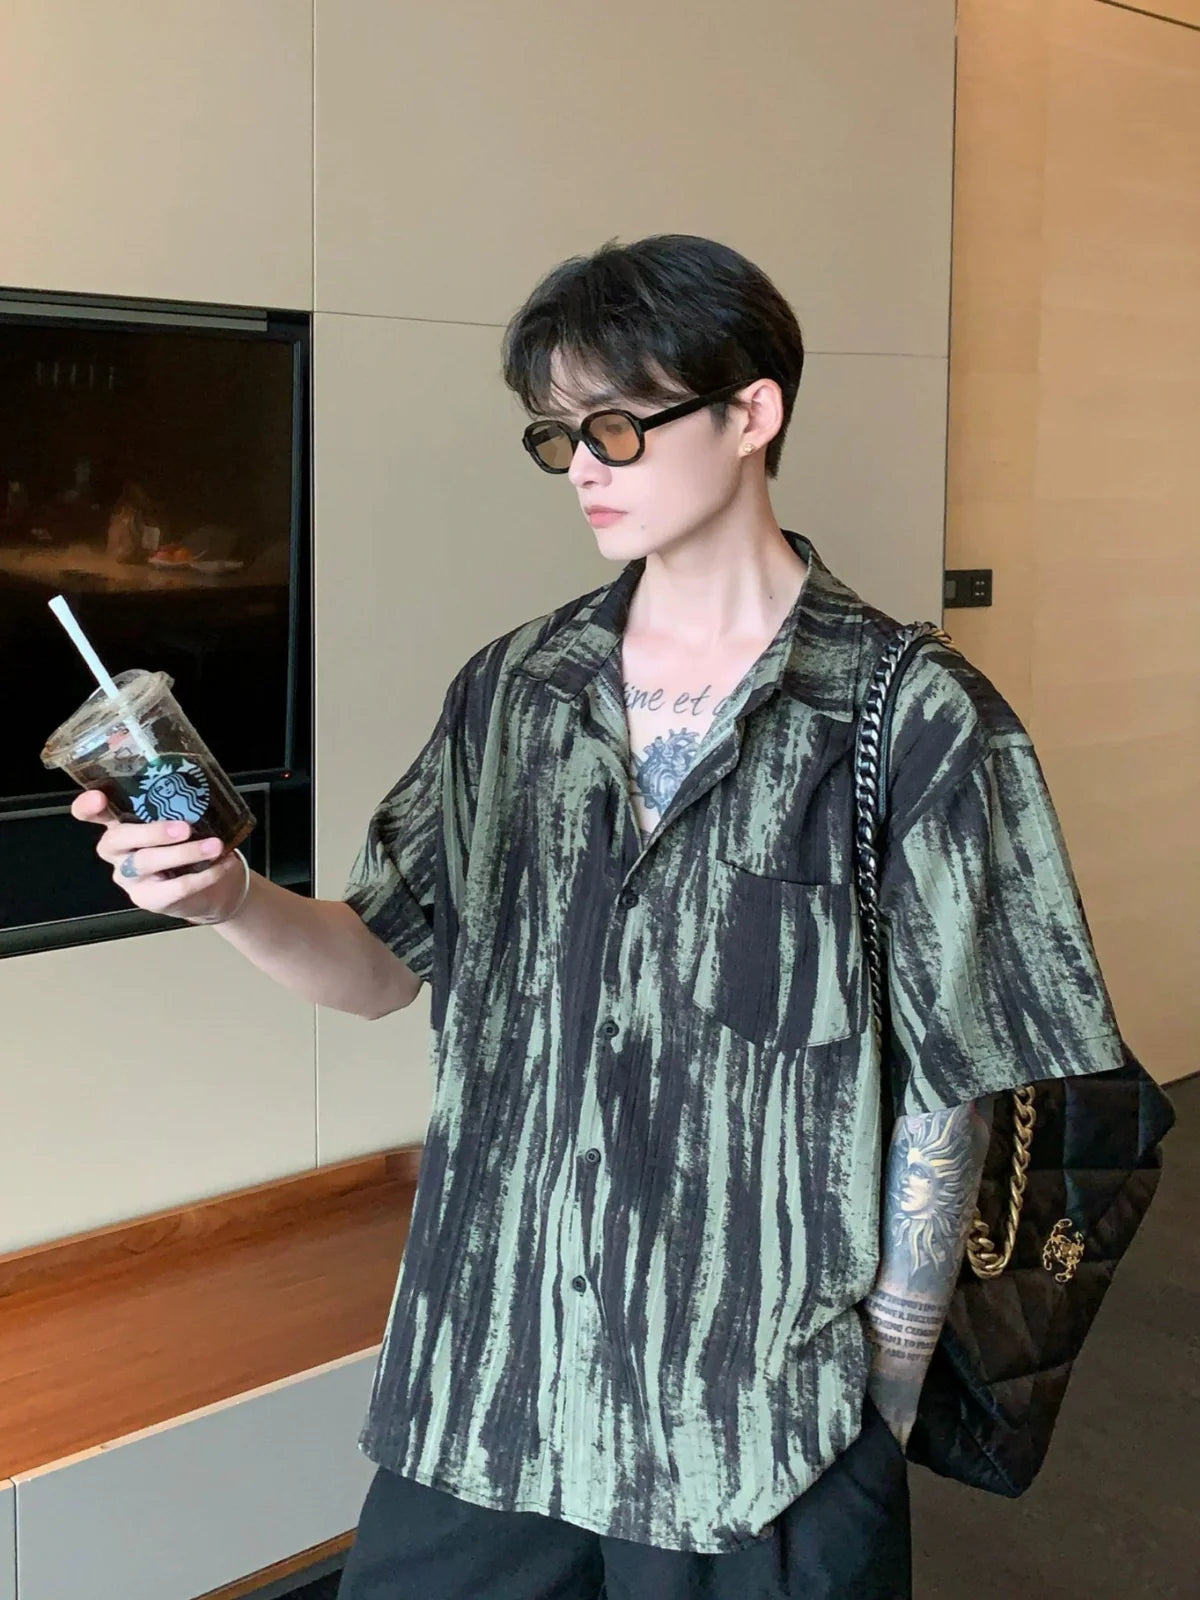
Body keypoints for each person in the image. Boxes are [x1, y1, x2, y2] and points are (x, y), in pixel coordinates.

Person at [73, 235, 1128, 1600]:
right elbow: (381, 967)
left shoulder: (911, 719)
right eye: (559, 435)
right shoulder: (515, 692)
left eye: (619, 425)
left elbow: (956, 1088)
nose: (583, 464)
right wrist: (228, 901)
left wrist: (886, 1394)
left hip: (753, 1426)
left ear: (752, 414)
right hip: (488, 1387)